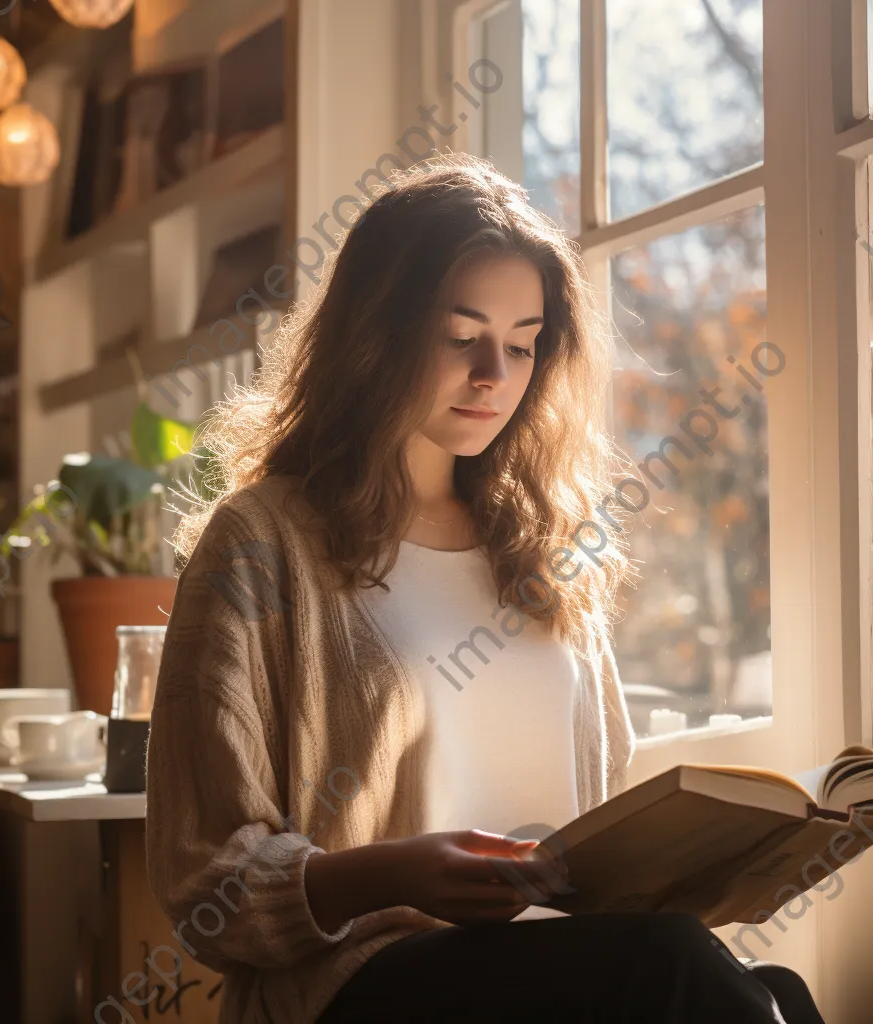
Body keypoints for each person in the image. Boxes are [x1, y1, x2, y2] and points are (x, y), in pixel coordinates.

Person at [144, 153, 824, 1024]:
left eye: (522, 344)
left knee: (777, 995)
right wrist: (395, 871)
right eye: (461, 337)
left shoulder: (545, 548)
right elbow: (206, 882)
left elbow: (605, 832)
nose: (493, 375)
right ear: (374, 332)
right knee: (679, 970)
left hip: (569, 970)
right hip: (368, 984)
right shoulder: (262, 543)